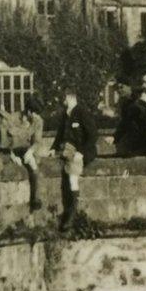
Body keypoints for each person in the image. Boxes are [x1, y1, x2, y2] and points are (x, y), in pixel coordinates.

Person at [51, 88, 98, 230]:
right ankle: (69, 212)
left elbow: (93, 135)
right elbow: (60, 134)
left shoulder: (82, 113)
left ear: (70, 98)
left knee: (72, 177)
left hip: (80, 151)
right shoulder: (66, 115)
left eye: (63, 99)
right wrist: (53, 148)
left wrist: (81, 152)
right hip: (66, 149)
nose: (62, 102)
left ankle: (71, 214)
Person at [8, 96, 46, 211]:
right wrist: (12, 155)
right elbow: (5, 141)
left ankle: (36, 199)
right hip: (12, 149)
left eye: (38, 113)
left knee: (34, 165)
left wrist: (30, 151)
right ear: (28, 111)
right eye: (34, 113)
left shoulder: (38, 121)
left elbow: (37, 141)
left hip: (26, 149)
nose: (36, 116)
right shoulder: (12, 118)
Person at [112, 82, 146, 157]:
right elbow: (124, 123)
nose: (119, 90)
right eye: (117, 88)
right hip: (130, 139)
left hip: (141, 140)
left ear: (130, 87)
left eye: (122, 87)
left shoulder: (141, 101)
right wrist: (116, 137)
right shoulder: (125, 103)